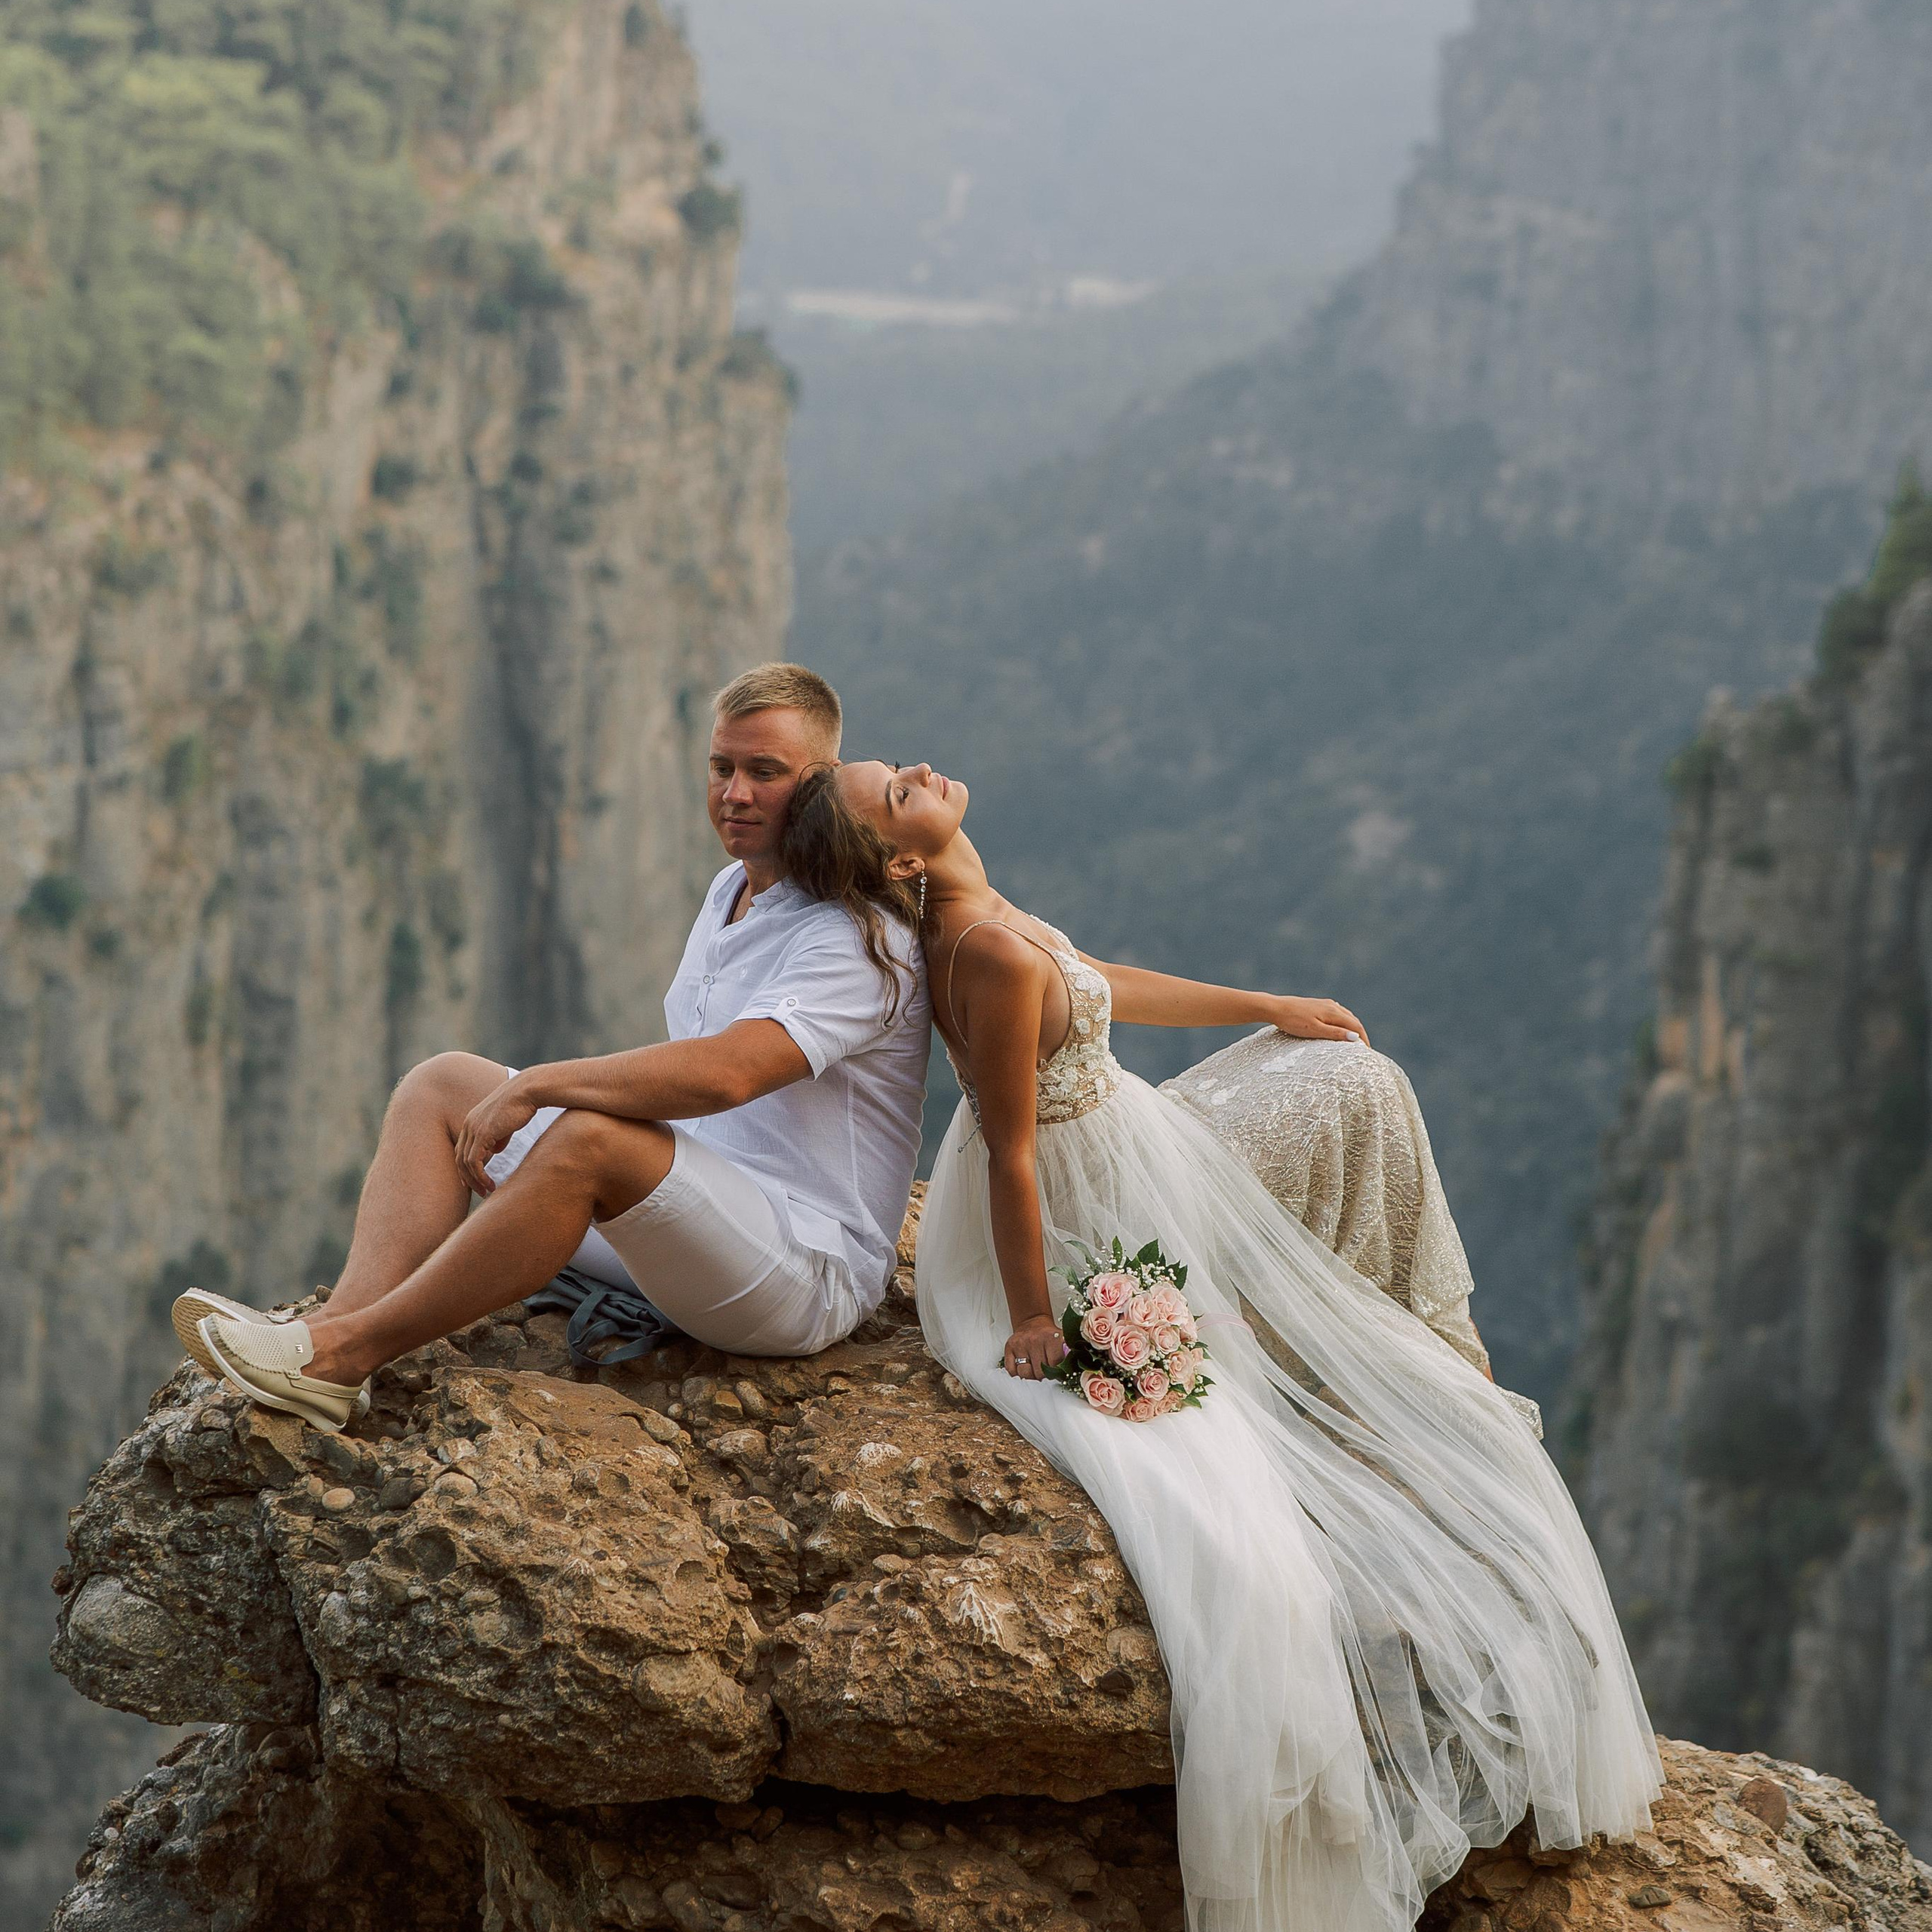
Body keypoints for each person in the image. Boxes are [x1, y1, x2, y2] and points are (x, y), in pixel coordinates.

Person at [793, 756, 1663, 1932]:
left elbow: (1100, 985)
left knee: (1341, 1070)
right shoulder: (983, 950)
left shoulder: (983, 906)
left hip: (1134, 1128)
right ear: (903, 859)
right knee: (1363, 1091)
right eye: (894, 791)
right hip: (1093, 1189)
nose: (914, 769)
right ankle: (1433, 1368)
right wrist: (1040, 1315)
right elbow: (1008, 1150)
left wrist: (1264, 1004)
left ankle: (1407, 1343)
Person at [171, 665, 931, 1433]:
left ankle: (344, 1354)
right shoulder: (729, 889)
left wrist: (541, 1084)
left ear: (822, 782)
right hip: (691, 1225)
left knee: (591, 1140)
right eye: (721, 766)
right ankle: (329, 1331)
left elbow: (729, 1072)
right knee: (442, 1086)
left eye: (765, 772)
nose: (734, 793)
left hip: (801, 1271)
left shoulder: (856, 934)